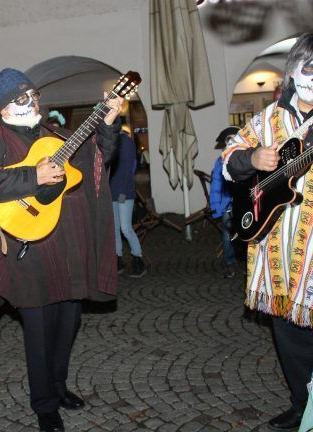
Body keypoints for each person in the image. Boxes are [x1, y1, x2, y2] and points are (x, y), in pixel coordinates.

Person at [0, 68, 122, 432]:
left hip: (69, 246)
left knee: (68, 321)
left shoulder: (56, 135)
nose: (31, 102)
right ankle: (44, 404)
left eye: (33, 95)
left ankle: (58, 385)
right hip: (28, 252)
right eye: (21, 97)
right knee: (39, 330)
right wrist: (33, 177)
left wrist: (108, 125)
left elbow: (95, 160)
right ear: (4, 107)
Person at [222, 33, 313, 431]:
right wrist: (251, 158)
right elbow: (229, 159)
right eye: (310, 67)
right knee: (290, 339)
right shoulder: (267, 119)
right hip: (275, 251)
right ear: (293, 70)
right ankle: (302, 405)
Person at [108, 127, 146, 278]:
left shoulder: (126, 142)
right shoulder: (110, 140)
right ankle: (118, 259)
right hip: (112, 192)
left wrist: (122, 194)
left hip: (123, 192)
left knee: (125, 228)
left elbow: (128, 170)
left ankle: (138, 259)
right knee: (115, 228)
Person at [210, 126, 239, 279]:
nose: (231, 143)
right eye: (228, 140)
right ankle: (229, 264)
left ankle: (249, 265)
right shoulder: (220, 162)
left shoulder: (247, 158)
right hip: (227, 206)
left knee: (246, 236)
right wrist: (215, 206)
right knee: (227, 236)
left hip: (244, 205)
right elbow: (216, 186)